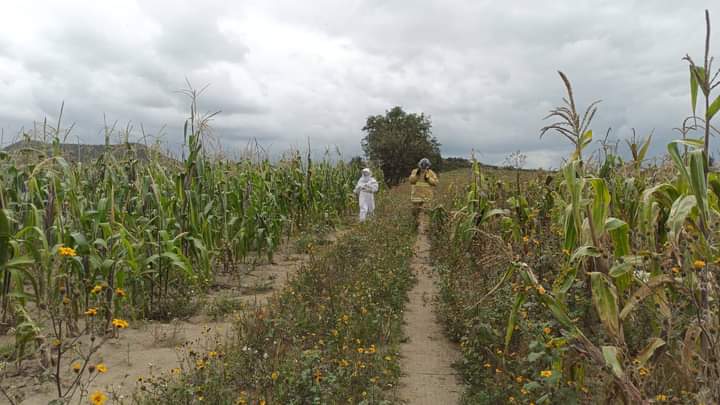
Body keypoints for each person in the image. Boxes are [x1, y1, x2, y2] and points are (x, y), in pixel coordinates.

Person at [409, 158, 438, 223]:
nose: (424, 167)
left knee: (425, 215)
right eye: (422, 165)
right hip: (416, 198)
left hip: (427, 198)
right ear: (419, 165)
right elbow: (411, 181)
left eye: (425, 165)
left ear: (428, 166)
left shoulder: (431, 173)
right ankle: (416, 227)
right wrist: (417, 175)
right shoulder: (415, 171)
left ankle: (424, 230)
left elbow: (435, 183)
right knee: (415, 214)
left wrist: (428, 178)